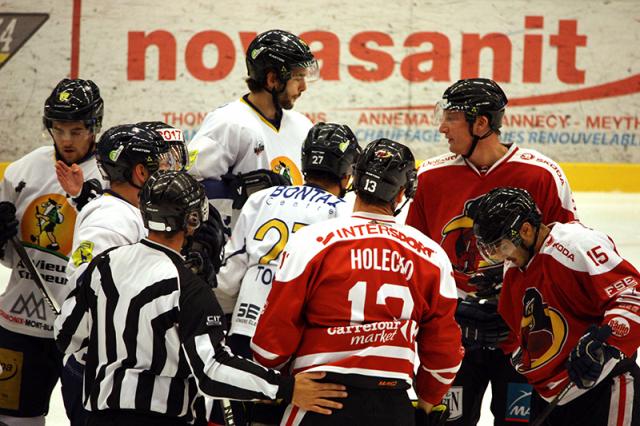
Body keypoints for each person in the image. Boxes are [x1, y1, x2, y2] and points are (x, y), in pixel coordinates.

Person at [54, 171, 347, 426]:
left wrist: (118, 360)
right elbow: (212, 371)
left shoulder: (102, 265)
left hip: (97, 417)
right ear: (192, 220)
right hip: (162, 421)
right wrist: (286, 388)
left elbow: (67, 337)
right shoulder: (189, 287)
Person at [252, 139, 464, 425]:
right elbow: (445, 353)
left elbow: (272, 343)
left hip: (319, 397)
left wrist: (279, 385)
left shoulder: (312, 241)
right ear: (401, 195)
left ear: (354, 180)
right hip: (393, 405)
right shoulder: (432, 255)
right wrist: (427, 401)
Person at [405, 78, 577, 425]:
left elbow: (563, 253)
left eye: (450, 117)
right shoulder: (431, 177)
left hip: (521, 335)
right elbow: (414, 256)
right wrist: (448, 310)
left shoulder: (542, 175)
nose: (442, 128)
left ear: (481, 124)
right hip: (454, 334)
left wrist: (515, 299)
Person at [55, 122, 204, 425]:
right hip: (101, 376)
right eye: (161, 164)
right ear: (139, 173)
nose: (169, 170)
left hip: (123, 372)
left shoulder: (134, 212)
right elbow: (83, 294)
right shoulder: (110, 219)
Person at [214, 122, 361, 424]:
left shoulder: (261, 199)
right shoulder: (345, 214)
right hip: (302, 344)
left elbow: (228, 277)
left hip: (247, 332)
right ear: (348, 174)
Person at [470, 187, 640, 425]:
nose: (501, 257)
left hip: (602, 388)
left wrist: (604, 344)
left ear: (526, 230)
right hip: (550, 399)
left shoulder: (577, 244)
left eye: (503, 246)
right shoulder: (515, 268)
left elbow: (632, 294)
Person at [0, 78, 106, 426]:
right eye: (59, 130)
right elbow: (9, 257)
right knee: (15, 421)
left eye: (76, 130)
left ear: (94, 127)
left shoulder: (110, 178)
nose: (66, 140)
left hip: (86, 335)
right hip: (20, 324)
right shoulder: (22, 171)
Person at [188, 29, 318, 237]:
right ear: (272, 79)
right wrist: (238, 190)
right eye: (298, 77)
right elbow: (188, 188)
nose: (303, 87)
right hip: (239, 254)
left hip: (289, 252)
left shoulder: (303, 126)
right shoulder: (228, 122)